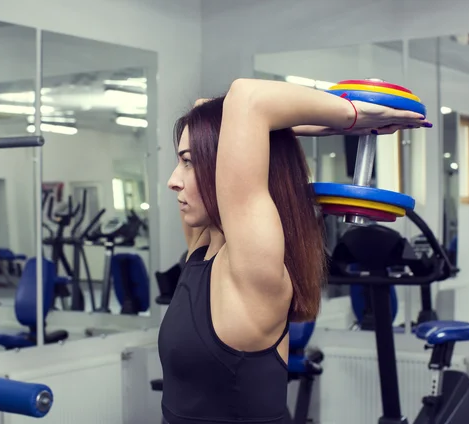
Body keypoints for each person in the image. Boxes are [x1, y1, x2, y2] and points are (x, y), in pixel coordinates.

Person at [157, 78, 432, 424]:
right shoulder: (203, 248)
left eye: (188, 161)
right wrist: (302, 127)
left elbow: (248, 98)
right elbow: (205, 106)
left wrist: (351, 115)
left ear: (222, 166)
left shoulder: (247, 270)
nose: (173, 179)